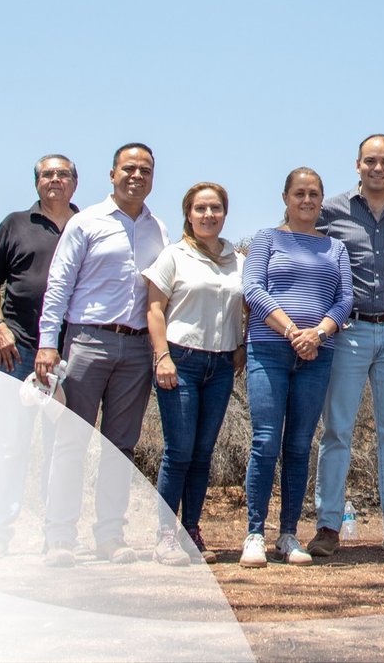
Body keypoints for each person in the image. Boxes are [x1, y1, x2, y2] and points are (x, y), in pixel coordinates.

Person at [35, 143, 169, 567]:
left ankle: (110, 536)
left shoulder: (158, 230)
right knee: (70, 443)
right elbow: (59, 285)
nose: (136, 176)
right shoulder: (86, 222)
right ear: (112, 174)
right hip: (86, 342)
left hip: (136, 348)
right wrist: (47, 342)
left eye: (145, 170)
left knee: (120, 448)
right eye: (128, 168)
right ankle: (59, 537)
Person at [309, 134, 384, 559]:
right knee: (337, 430)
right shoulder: (331, 211)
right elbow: (299, 247)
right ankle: (327, 525)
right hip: (348, 332)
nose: (378, 168)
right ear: (357, 165)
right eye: (370, 161)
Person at [239, 167, 353, 568]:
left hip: (317, 354)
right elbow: (253, 289)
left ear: (322, 201)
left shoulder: (335, 249)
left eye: (314, 194)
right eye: (299, 193)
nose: (307, 200)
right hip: (270, 349)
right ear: (285, 198)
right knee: (266, 441)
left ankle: (288, 534)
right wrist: (292, 332)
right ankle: (255, 532)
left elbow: (344, 299)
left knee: (299, 445)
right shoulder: (266, 239)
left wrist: (317, 335)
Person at [0, 153, 79, 558]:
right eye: (47, 174)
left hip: (69, 355)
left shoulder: (86, 224)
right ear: (37, 182)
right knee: (10, 444)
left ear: (75, 181)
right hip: (16, 350)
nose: (55, 180)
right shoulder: (15, 224)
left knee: (61, 448)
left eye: (63, 174)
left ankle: (57, 537)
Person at [144, 182, 245, 566]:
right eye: (200, 208)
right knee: (179, 451)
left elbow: (244, 307)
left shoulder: (237, 259)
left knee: (203, 453)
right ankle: (165, 535)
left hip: (220, 365)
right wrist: (162, 357)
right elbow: (154, 309)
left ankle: (191, 530)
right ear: (188, 213)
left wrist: (239, 345)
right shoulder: (174, 256)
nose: (208, 215)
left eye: (215, 208)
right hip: (180, 361)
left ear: (225, 213)